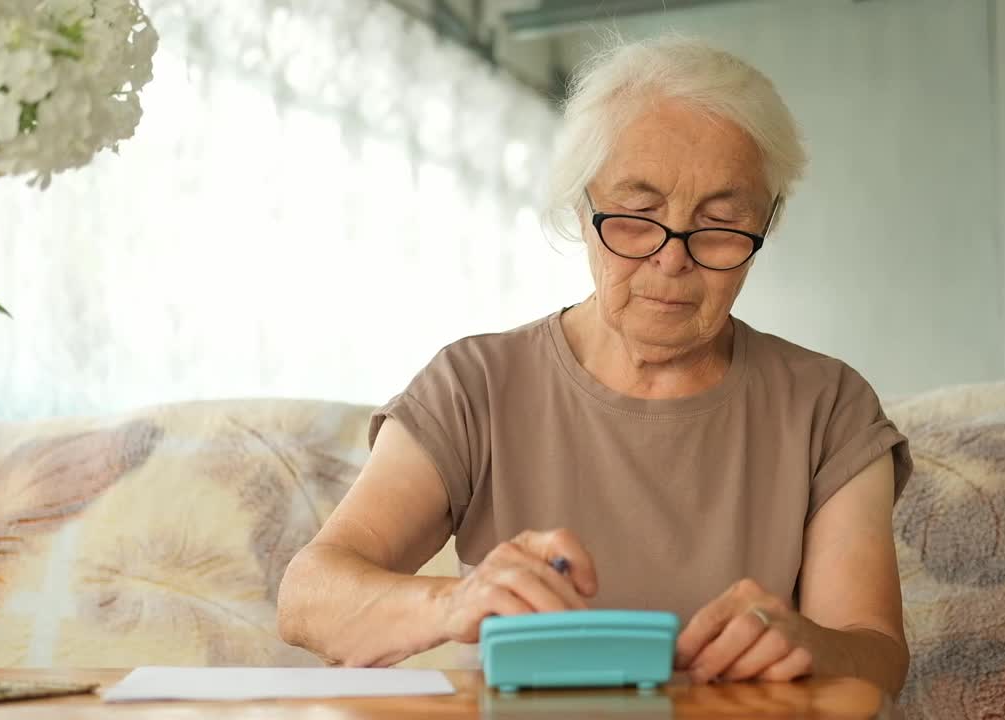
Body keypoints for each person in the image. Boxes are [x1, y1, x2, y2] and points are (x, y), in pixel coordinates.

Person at [278, 36, 913, 694]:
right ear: (583, 209)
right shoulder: (476, 385)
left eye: (720, 223)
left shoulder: (828, 405)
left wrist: (808, 645)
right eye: (636, 217)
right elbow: (308, 598)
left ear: (765, 226)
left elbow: (877, 655)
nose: (672, 260)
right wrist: (453, 605)